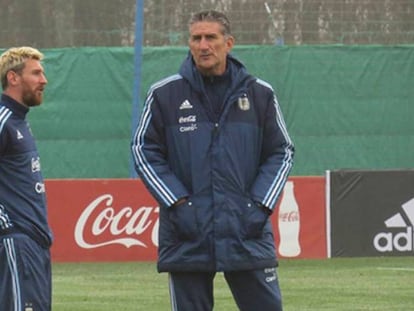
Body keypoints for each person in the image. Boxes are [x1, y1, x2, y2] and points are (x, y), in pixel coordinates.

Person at [131, 10, 294, 311]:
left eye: (211, 38)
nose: (203, 45)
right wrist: (179, 204)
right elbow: (143, 151)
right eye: (196, 38)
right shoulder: (164, 94)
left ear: (228, 43)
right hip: (187, 232)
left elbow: (281, 152)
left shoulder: (260, 94)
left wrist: (259, 206)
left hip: (246, 229)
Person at [0, 47, 52, 311]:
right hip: (17, 240)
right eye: (36, 73)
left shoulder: (20, 120)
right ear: (13, 78)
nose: (44, 80)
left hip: (36, 242)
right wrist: (6, 225)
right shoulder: (3, 119)